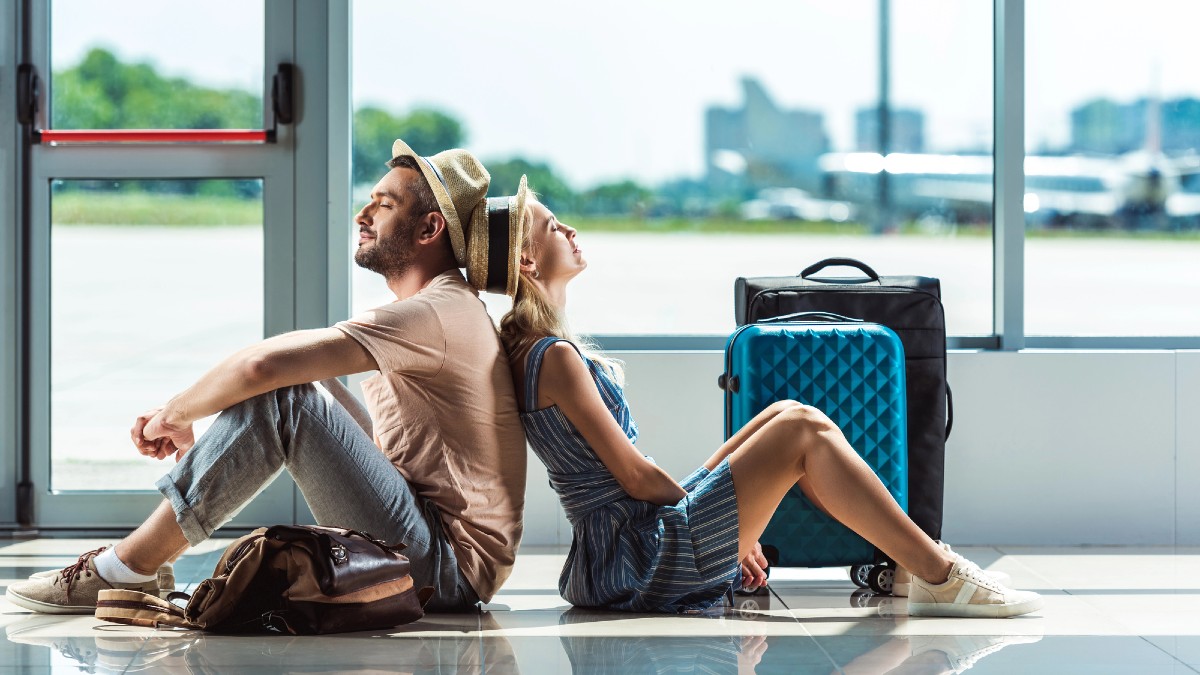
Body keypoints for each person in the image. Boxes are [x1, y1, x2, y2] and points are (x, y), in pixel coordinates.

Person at [7, 140, 527, 614]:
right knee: (303, 383)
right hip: (437, 547)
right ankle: (139, 566)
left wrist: (176, 412)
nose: (362, 214)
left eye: (384, 205)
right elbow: (341, 414)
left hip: (444, 568)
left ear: (429, 229)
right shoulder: (444, 308)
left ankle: (126, 569)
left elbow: (261, 366)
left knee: (284, 392)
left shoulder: (435, 311)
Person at [496, 179, 1044, 617]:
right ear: (526, 262)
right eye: (551, 226)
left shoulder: (539, 350)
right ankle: (939, 573)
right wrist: (706, 509)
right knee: (801, 428)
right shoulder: (556, 357)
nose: (569, 229)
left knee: (782, 414)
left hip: (621, 546)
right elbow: (636, 479)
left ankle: (914, 564)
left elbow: (634, 481)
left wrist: (726, 507)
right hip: (637, 558)